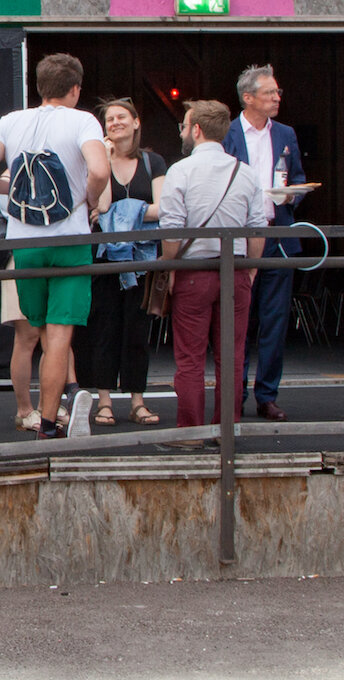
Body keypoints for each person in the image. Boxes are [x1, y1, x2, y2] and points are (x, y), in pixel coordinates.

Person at [0, 53, 108, 440]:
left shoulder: (11, 121)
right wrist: (89, 199)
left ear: (39, 86)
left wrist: (9, 189)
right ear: (75, 89)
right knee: (59, 335)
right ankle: (48, 423)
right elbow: (99, 170)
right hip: (70, 240)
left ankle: (30, 411)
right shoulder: (83, 121)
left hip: (25, 244)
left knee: (34, 328)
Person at [156, 101, 271, 427]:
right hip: (234, 270)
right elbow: (257, 229)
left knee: (190, 359)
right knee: (232, 358)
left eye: (185, 126)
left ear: (196, 130)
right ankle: (227, 430)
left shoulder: (180, 171)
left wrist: (170, 267)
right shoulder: (245, 172)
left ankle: (190, 431)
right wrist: (250, 269)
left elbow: (172, 232)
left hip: (193, 272)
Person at [74, 97, 167, 426]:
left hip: (142, 260)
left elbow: (164, 207)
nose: (114, 123)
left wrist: (122, 215)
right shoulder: (100, 161)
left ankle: (138, 401)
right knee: (104, 328)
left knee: (136, 330)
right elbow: (101, 204)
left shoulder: (153, 162)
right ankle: (104, 401)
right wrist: (106, 155)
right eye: (109, 119)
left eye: (121, 117)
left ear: (136, 122)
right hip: (105, 257)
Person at [223, 64, 306, 420]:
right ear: (248, 97)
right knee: (238, 318)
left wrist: (293, 195)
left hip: (278, 233)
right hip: (239, 237)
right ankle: (235, 393)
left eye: (277, 92)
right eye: (270, 92)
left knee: (275, 320)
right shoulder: (227, 134)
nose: (277, 98)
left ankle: (267, 395)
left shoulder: (286, 133)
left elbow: (298, 174)